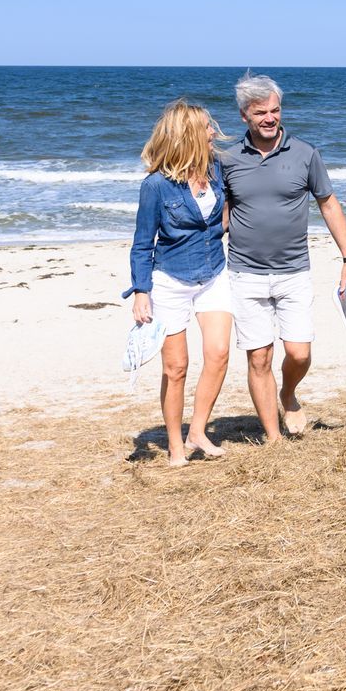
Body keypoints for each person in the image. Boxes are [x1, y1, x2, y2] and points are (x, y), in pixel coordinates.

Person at [218, 72, 346, 442]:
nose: (270, 118)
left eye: (275, 110)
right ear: (244, 117)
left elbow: (328, 204)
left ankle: (287, 393)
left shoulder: (305, 153)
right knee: (259, 358)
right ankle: (273, 436)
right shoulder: (227, 158)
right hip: (244, 273)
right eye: (261, 112)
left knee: (299, 354)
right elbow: (220, 213)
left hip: (294, 270)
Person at [124, 100, 233, 467]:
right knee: (176, 368)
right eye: (206, 127)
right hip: (169, 280)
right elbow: (142, 243)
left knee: (218, 354)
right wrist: (141, 291)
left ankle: (198, 431)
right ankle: (175, 446)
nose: (213, 132)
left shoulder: (216, 169)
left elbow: (227, 212)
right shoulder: (155, 186)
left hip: (214, 273)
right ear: (187, 134)